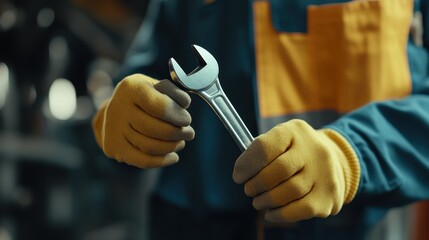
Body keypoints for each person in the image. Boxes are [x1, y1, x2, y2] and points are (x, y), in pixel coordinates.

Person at [92, 0, 429, 239]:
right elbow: (153, 67)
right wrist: (118, 118)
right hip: (192, 224)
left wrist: (350, 155)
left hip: (350, 225)